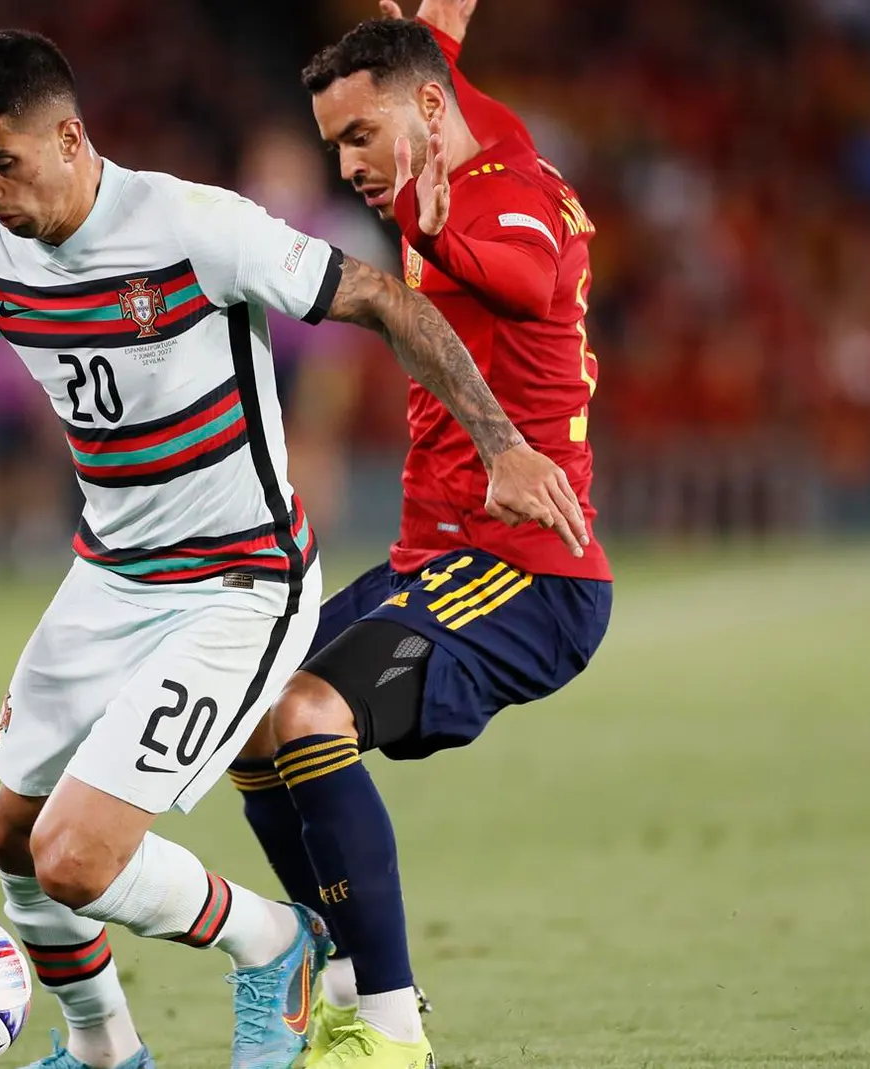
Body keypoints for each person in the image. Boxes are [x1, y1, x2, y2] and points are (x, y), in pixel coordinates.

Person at [0, 28, 584, 1069]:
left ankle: (277, 943)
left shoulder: (193, 226)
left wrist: (500, 445)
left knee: (73, 858)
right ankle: (104, 1051)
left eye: (2, 162)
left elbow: (382, 298)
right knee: (9, 837)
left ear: (70, 138)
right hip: (110, 577)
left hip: (239, 586)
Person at [226, 4, 616, 1066]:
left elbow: (527, 277)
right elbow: (425, 67)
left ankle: (389, 1033)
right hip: (436, 562)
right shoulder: (451, 123)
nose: (348, 164)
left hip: (527, 576)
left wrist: (432, 228)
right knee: (249, 713)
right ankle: (337, 974)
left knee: (308, 712)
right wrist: (434, 32)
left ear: (428, 115)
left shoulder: (510, 199)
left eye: (360, 138)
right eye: (334, 144)